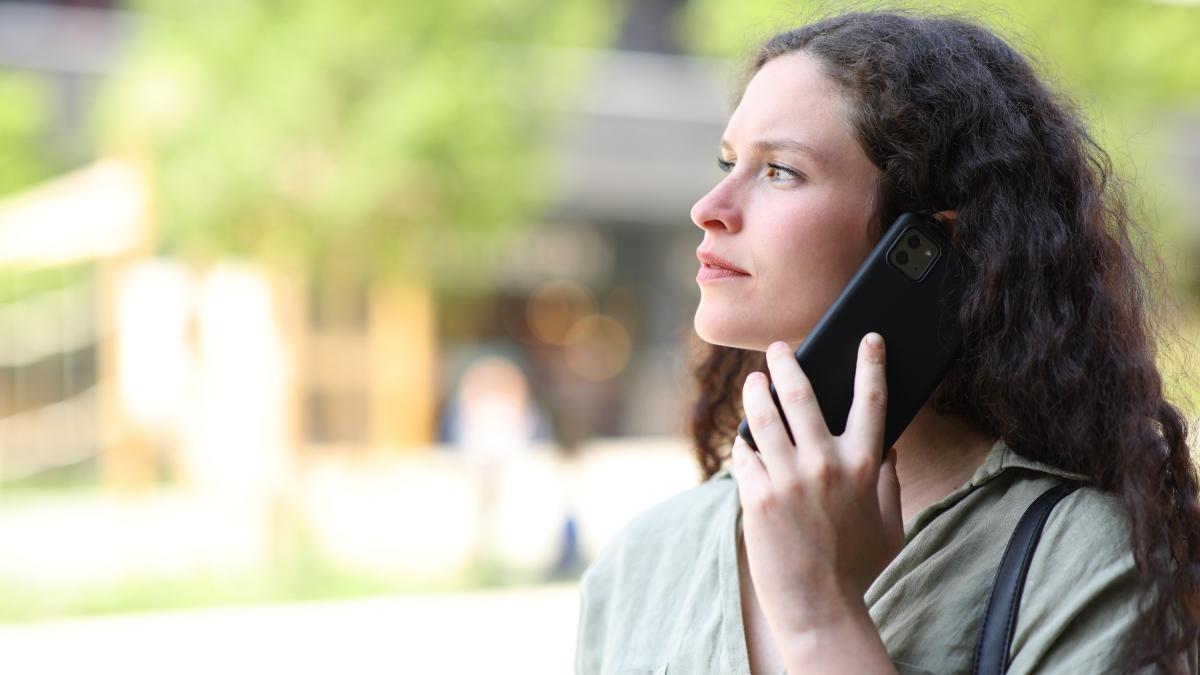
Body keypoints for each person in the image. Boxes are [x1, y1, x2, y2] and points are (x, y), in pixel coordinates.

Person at [574, 9, 1200, 675]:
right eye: (728, 161)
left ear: (935, 246)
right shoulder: (645, 557)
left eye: (780, 170)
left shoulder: (1086, 559)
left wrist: (822, 618)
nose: (709, 205)